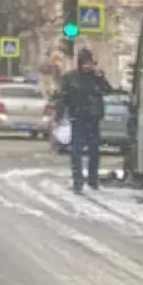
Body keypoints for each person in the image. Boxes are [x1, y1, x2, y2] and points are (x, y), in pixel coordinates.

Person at [53, 48, 113, 193]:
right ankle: (77, 181)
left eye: (90, 63)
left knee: (94, 151)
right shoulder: (70, 78)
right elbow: (63, 98)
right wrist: (58, 117)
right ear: (79, 64)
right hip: (78, 118)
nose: (87, 66)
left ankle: (93, 179)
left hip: (93, 118)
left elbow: (108, 91)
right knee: (76, 152)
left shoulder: (96, 77)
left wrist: (101, 79)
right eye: (84, 63)